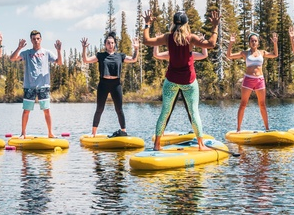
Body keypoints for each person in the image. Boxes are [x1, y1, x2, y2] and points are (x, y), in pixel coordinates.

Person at [142, 9, 219, 151]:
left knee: (165, 111)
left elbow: (146, 41)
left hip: (171, 80)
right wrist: (215, 26)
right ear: (186, 24)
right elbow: (211, 44)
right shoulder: (191, 38)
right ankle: (201, 145)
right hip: (189, 82)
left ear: (173, 24)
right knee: (194, 112)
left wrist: (147, 24)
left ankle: (157, 145)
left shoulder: (167, 37)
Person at [81, 32, 140, 137]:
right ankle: (93, 133)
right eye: (108, 43)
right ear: (105, 44)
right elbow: (86, 60)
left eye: (112, 43)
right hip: (103, 84)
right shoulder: (100, 55)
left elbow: (134, 59)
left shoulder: (120, 56)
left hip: (116, 84)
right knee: (99, 108)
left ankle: (124, 132)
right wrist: (84, 48)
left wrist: (136, 48)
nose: (110, 45)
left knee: (119, 109)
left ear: (115, 44)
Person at [10, 30, 62, 138]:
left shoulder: (46, 53)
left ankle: (50, 133)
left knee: (47, 111)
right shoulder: (27, 53)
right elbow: (12, 58)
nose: (36, 41)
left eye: (38, 38)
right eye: (34, 39)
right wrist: (19, 48)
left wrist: (59, 51)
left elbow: (59, 62)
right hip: (29, 86)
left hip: (44, 86)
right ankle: (23, 133)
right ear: (31, 40)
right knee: (26, 111)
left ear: (41, 39)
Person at [226, 32, 279, 132]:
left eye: (255, 41)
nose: (254, 42)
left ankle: (267, 129)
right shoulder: (245, 53)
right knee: (243, 104)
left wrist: (275, 43)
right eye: (252, 41)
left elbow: (275, 54)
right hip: (248, 80)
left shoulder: (262, 52)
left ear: (258, 43)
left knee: (262, 104)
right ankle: (238, 129)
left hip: (260, 80)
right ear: (249, 43)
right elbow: (229, 55)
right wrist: (231, 43)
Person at [153, 40, 209, 131]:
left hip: (176, 82)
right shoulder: (173, 53)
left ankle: (159, 138)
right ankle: (199, 140)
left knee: (182, 110)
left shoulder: (187, 53)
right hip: (182, 83)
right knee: (174, 111)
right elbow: (156, 55)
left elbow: (204, 55)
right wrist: (203, 43)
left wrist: (203, 42)